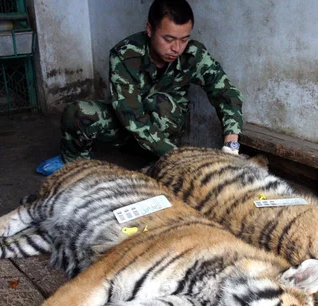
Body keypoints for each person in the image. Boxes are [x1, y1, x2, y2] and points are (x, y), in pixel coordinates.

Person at [36, 0, 243, 176]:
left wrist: (231, 142)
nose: (176, 48)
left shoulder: (194, 54)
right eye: (168, 39)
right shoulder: (126, 54)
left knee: (160, 103)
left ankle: (159, 156)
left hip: (165, 124)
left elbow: (226, 93)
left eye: (184, 39)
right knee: (76, 113)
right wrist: (180, 159)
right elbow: (130, 114)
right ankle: (73, 161)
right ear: (150, 29)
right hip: (127, 122)